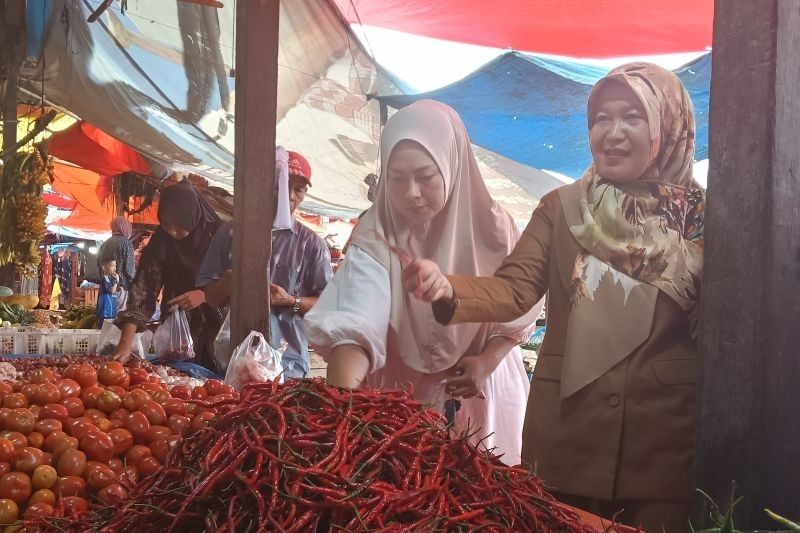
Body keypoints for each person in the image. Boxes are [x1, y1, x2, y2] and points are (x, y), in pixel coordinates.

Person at [402, 64, 704, 532]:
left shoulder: (703, 222)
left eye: (633, 117)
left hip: (664, 444)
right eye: (601, 118)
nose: (613, 132)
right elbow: (513, 290)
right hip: (568, 433)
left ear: (670, 125)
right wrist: (449, 287)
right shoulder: (562, 208)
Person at [304, 100, 542, 464]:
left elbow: (518, 307)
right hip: (399, 401)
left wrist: (486, 362)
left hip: (479, 395)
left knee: (479, 498)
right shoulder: (376, 233)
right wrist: (342, 416)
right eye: (397, 179)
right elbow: (355, 319)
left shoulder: (496, 229)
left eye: (425, 177)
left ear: (451, 164)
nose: (411, 192)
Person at [198, 149, 332, 378]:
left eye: (298, 189)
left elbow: (328, 305)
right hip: (235, 360)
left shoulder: (312, 244)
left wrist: (291, 301)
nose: (289, 196)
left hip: (288, 365)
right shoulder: (229, 234)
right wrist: (226, 284)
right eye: (280, 185)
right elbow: (210, 297)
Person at [113, 180, 225, 370]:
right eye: (165, 224)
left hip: (220, 328)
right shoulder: (161, 242)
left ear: (191, 216)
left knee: (220, 385)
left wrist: (206, 295)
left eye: (179, 224)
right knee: (178, 381)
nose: (172, 231)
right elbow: (143, 290)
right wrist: (125, 343)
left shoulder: (219, 236)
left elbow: (238, 281)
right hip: (177, 330)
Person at [98, 216, 135, 311]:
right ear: (125, 227)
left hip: (105, 289)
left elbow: (99, 265)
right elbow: (129, 270)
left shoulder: (104, 244)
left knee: (106, 319)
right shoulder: (127, 243)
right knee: (118, 320)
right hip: (120, 289)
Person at [96, 258, 119, 328]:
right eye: (112, 266)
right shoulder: (105, 278)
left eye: (115, 266)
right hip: (106, 307)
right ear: (104, 268)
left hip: (111, 305)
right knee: (104, 325)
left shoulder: (111, 278)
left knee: (110, 325)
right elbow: (111, 290)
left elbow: (115, 290)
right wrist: (117, 281)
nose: (114, 268)